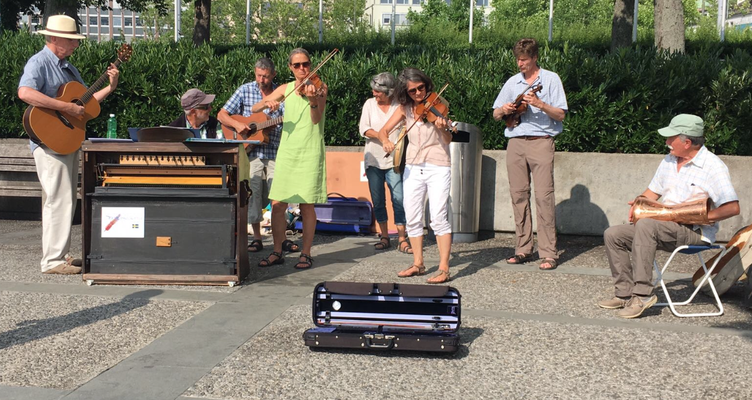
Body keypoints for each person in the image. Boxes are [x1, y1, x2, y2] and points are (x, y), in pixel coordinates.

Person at [598, 114, 740, 319]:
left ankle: (642, 295)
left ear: (687, 142)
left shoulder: (713, 166)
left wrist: (700, 216)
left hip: (695, 232)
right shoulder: (669, 160)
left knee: (646, 226)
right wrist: (638, 204)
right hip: (663, 226)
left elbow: (732, 208)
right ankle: (624, 293)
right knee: (613, 234)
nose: (666, 143)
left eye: (671, 138)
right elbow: (651, 193)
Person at [18, 15, 119, 274]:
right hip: (48, 142)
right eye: (71, 40)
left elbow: (85, 104)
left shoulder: (69, 69)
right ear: (54, 38)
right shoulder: (39, 62)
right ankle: (52, 261)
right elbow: (25, 92)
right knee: (58, 200)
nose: (76, 45)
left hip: (66, 141)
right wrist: (64, 107)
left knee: (64, 199)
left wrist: (110, 87)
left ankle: (59, 255)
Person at [492, 37, 568, 271]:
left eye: (524, 59)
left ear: (535, 57)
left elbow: (561, 114)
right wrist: (504, 109)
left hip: (541, 142)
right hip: (515, 142)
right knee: (518, 196)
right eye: (518, 59)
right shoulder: (512, 82)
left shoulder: (551, 79)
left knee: (544, 197)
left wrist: (539, 103)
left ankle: (548, 253)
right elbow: (495, 114)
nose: (520, 64)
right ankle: (523, 249)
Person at [250, 48, 328, 269]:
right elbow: (255, 107)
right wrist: (268, 103)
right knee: (277, 204)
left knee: (306, 205)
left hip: (310, 149)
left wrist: (312, 100)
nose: (302, 68)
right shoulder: (286, 88)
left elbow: (316, 119)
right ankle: (277, 250)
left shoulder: (320, 88)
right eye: (297, 65)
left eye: (306, 64)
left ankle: (306, 253)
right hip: (287, 151)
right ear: (290, 68)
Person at [378, 68, 454, 284]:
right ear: (405, 92)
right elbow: (383, 131)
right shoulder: (405, 109)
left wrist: (442, 128)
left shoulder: (439, 104)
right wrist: (386, 141)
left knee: (438, 217)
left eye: (421, 88)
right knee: (412, 216)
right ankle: (418, 263)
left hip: (438, 165)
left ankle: (444, 268)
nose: (419, 93)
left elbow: (448, 139)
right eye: (413, 91)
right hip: (413, 166)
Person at [217, 58, 299, 254]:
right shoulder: (244, 90)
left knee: (279, 197)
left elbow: (289, 120)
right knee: (252, 194)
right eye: (259, 75)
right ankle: (257, 238)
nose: (262, 80)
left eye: (266, 76)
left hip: (276, 151)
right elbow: (222, 115)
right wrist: (237, 125)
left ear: (274, 75)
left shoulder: (283, 93)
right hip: (251, 153)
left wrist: (278, 119)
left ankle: (282, 239)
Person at [359, 72, 411, 254]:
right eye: (373, 90)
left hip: (394, 160)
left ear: (389, 91)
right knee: (378, 199)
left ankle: (402, 238)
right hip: (373, 159)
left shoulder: (400, 105)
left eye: (378, 91)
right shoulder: (369, 104)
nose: (374, 93)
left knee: (399, 199)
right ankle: (384, 236)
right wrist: (384, 138)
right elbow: (364, 129)